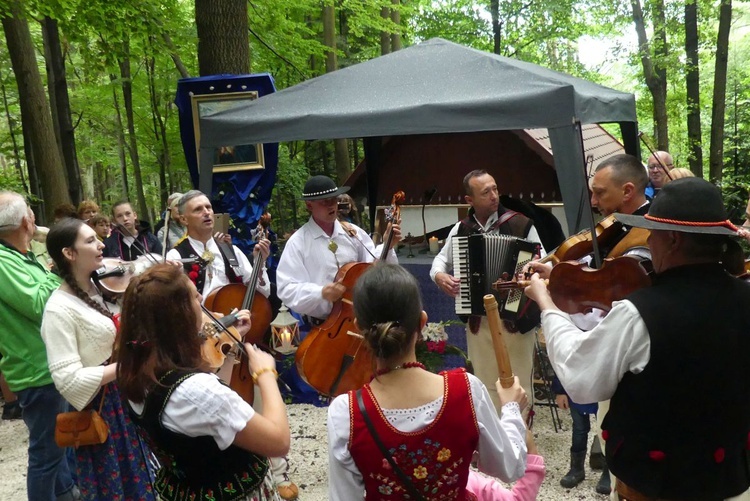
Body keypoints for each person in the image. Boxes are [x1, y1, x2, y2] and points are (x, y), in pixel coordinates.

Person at [525, 177, 750, 501]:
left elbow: (581, 378)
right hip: (730, 480)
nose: (648, 243)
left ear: (671, 240)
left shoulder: (640, 313)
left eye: (651, 234)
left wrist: (546, 304)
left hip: (656, 487)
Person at [327, 263, 544, 500]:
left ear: (359, 328)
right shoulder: (466, 390)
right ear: (422, 323)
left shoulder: (346, 413)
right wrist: (511, 409)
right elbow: (510, 467)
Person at [526, 153, 652, 495]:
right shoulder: (619, 226)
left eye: (600, 193)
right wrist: (560, 274)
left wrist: (554, 292)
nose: (593, 202)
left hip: (626, 366)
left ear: (628, 191)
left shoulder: (644, 236)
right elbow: (596, 281)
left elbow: (604, 299)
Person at [165, 190, 301, 499]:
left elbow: (260, 290)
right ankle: (239, 464)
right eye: (198, 209)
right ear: (183, 218)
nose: (207, 213)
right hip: (204, 345)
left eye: (209, 207)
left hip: (241, 336)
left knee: (260, 401)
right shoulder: (175, 258)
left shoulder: (231, 250)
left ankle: (279, 471)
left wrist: (261, 262)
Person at [116, 263, 288, 501]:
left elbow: (209, 412)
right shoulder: (196, 391)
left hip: (184, 489)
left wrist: (228, 345)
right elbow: (278, 441)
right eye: (196, 298)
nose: (203, 304)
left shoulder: (136, 368)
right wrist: (266, 374)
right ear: (181, 315)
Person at [42, 217, 156, 500]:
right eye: (90, 240)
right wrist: (123, 366)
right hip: (105, 410)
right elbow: (67, 380)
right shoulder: (58, 310)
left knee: (149, 480)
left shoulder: (101, 286)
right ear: (69, 254)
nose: (102, 244)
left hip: (128, 397)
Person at [430, 169, 544, 416]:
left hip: (516, 317)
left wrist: (525, 274)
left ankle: (522, 445)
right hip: (478, 321)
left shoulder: (521, 224)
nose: (494, 196)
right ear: (469, 200)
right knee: (483, 383)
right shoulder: (462, 229)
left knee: (520, 384)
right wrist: (440, 276)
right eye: (486, 192)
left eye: (495, 188)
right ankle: (493, 441)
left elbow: (544, 262)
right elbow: (440, 260)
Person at [0, 191, 78, 501]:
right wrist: (57, 269)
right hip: (37, 371)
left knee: (59, 446)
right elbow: (41, 303)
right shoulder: (4, 261)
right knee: (46, 456)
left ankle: (68, 494)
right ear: (25, 221)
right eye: (32, 212)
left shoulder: (21, 256)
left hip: (50, 365)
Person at [277, 175, 400, 325]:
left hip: (360, 320)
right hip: (323, 326)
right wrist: (321, 293)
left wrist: (388, 245)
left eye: (334, 199)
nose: (332, 205)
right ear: (310, 206)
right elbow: (287, 289)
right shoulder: (298, 242)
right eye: (325, 201)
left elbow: (373, 268)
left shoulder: (353, 233)